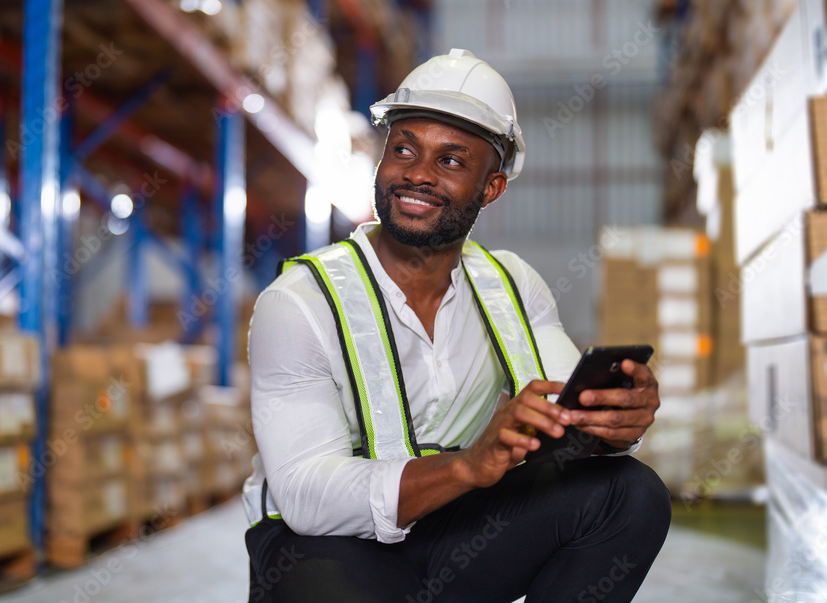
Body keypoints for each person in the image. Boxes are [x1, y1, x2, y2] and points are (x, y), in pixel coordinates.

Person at [242, 48, 670, 603]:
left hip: (455, 533)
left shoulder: (512, 285)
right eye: (403, 149)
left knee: (629, 494)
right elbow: (304, 498)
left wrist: (618, 422)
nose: (417, 174)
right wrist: (467, 466)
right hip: (323, 548)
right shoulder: (300, 301)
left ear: (491, 187)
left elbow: (571, 419)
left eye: (450, 161)